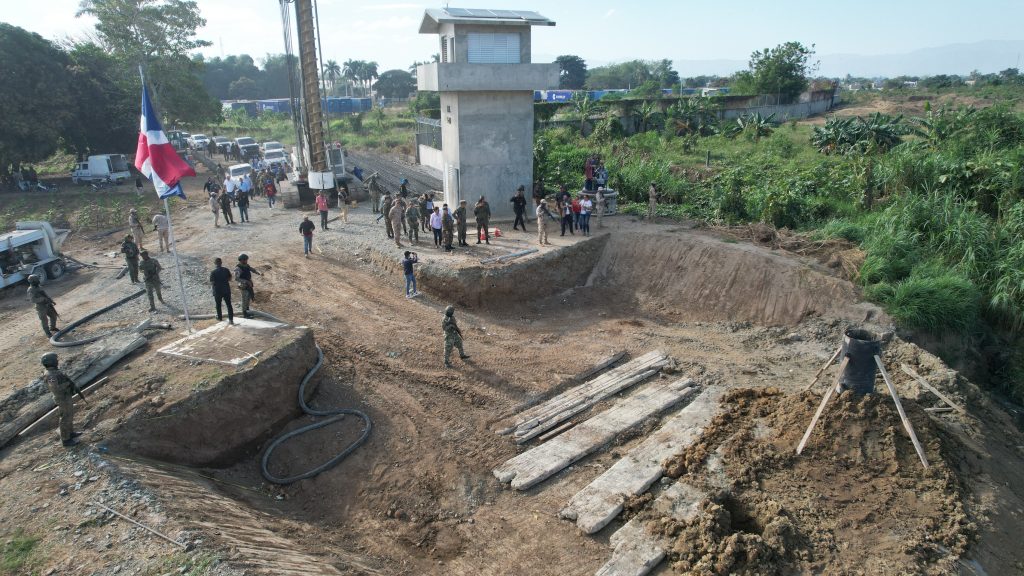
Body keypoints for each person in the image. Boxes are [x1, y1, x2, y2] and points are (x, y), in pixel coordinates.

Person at [41, 353, 82, 447]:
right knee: (65, 418)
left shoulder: (54, 371)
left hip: (65, 396)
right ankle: (65, 439)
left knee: (70, 415)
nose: (57, 361)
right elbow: (54, 388)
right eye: (55, 360)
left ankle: (70, 433)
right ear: (51, 362)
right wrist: (67, 384)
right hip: (61, 398)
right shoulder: (50, 375)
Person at [234, 254, 262, 318]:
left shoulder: (246, 265)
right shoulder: (238, 268)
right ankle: (245, 314)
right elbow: (236, 278)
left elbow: (252, 269)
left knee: (248, 298)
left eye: (246, 260)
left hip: (248, 285)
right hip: (243, 286)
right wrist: (246, 281)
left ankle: (247, 311)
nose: (246, 261)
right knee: (244, 300)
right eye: (245, 260)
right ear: (241, 260)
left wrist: (258, 273)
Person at [209, 257, 234, 324]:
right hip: (226, 290)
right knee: (229, 305)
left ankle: (220, 318)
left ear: (215, 263)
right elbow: (230, 278)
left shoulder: (213, 272)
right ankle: (231, 320)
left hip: (218, 291)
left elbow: (212, 282)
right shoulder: (226, 270)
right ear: (221, 262)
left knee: (218, 305)